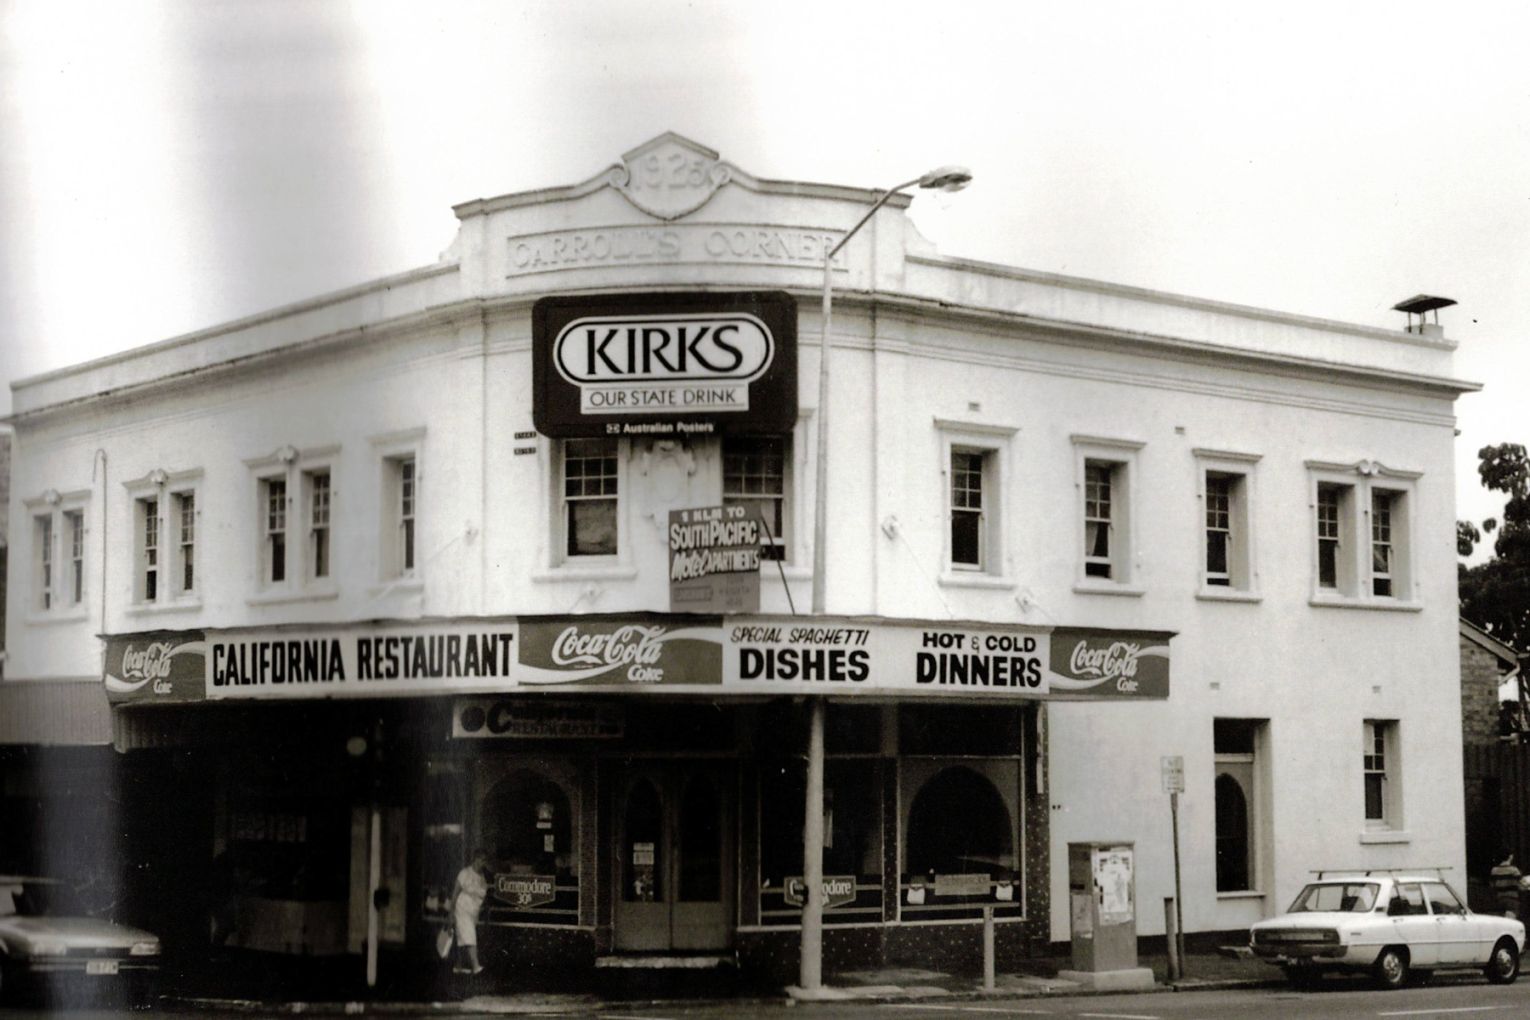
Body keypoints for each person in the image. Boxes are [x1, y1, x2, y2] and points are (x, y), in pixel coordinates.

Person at [451, 848, 489, 975]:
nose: (482, 863)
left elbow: (482, 896)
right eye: (481, 860)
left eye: (484, 861)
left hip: (473, 912)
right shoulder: (464, 873)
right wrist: (451, 912)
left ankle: (458, 966)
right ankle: (476, 966)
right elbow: (455, 893)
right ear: (475, 859)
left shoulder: (482, 877)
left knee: (462, 938)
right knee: (470, 936)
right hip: (462, 910)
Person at [1491, 851, 1522, 918]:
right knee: (1511, 922)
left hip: (1499, 899)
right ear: (1510, 857)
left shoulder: (1494, 870)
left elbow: (1492, 885)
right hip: (1512, 899)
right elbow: (1522, 884)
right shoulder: (1514, 870)